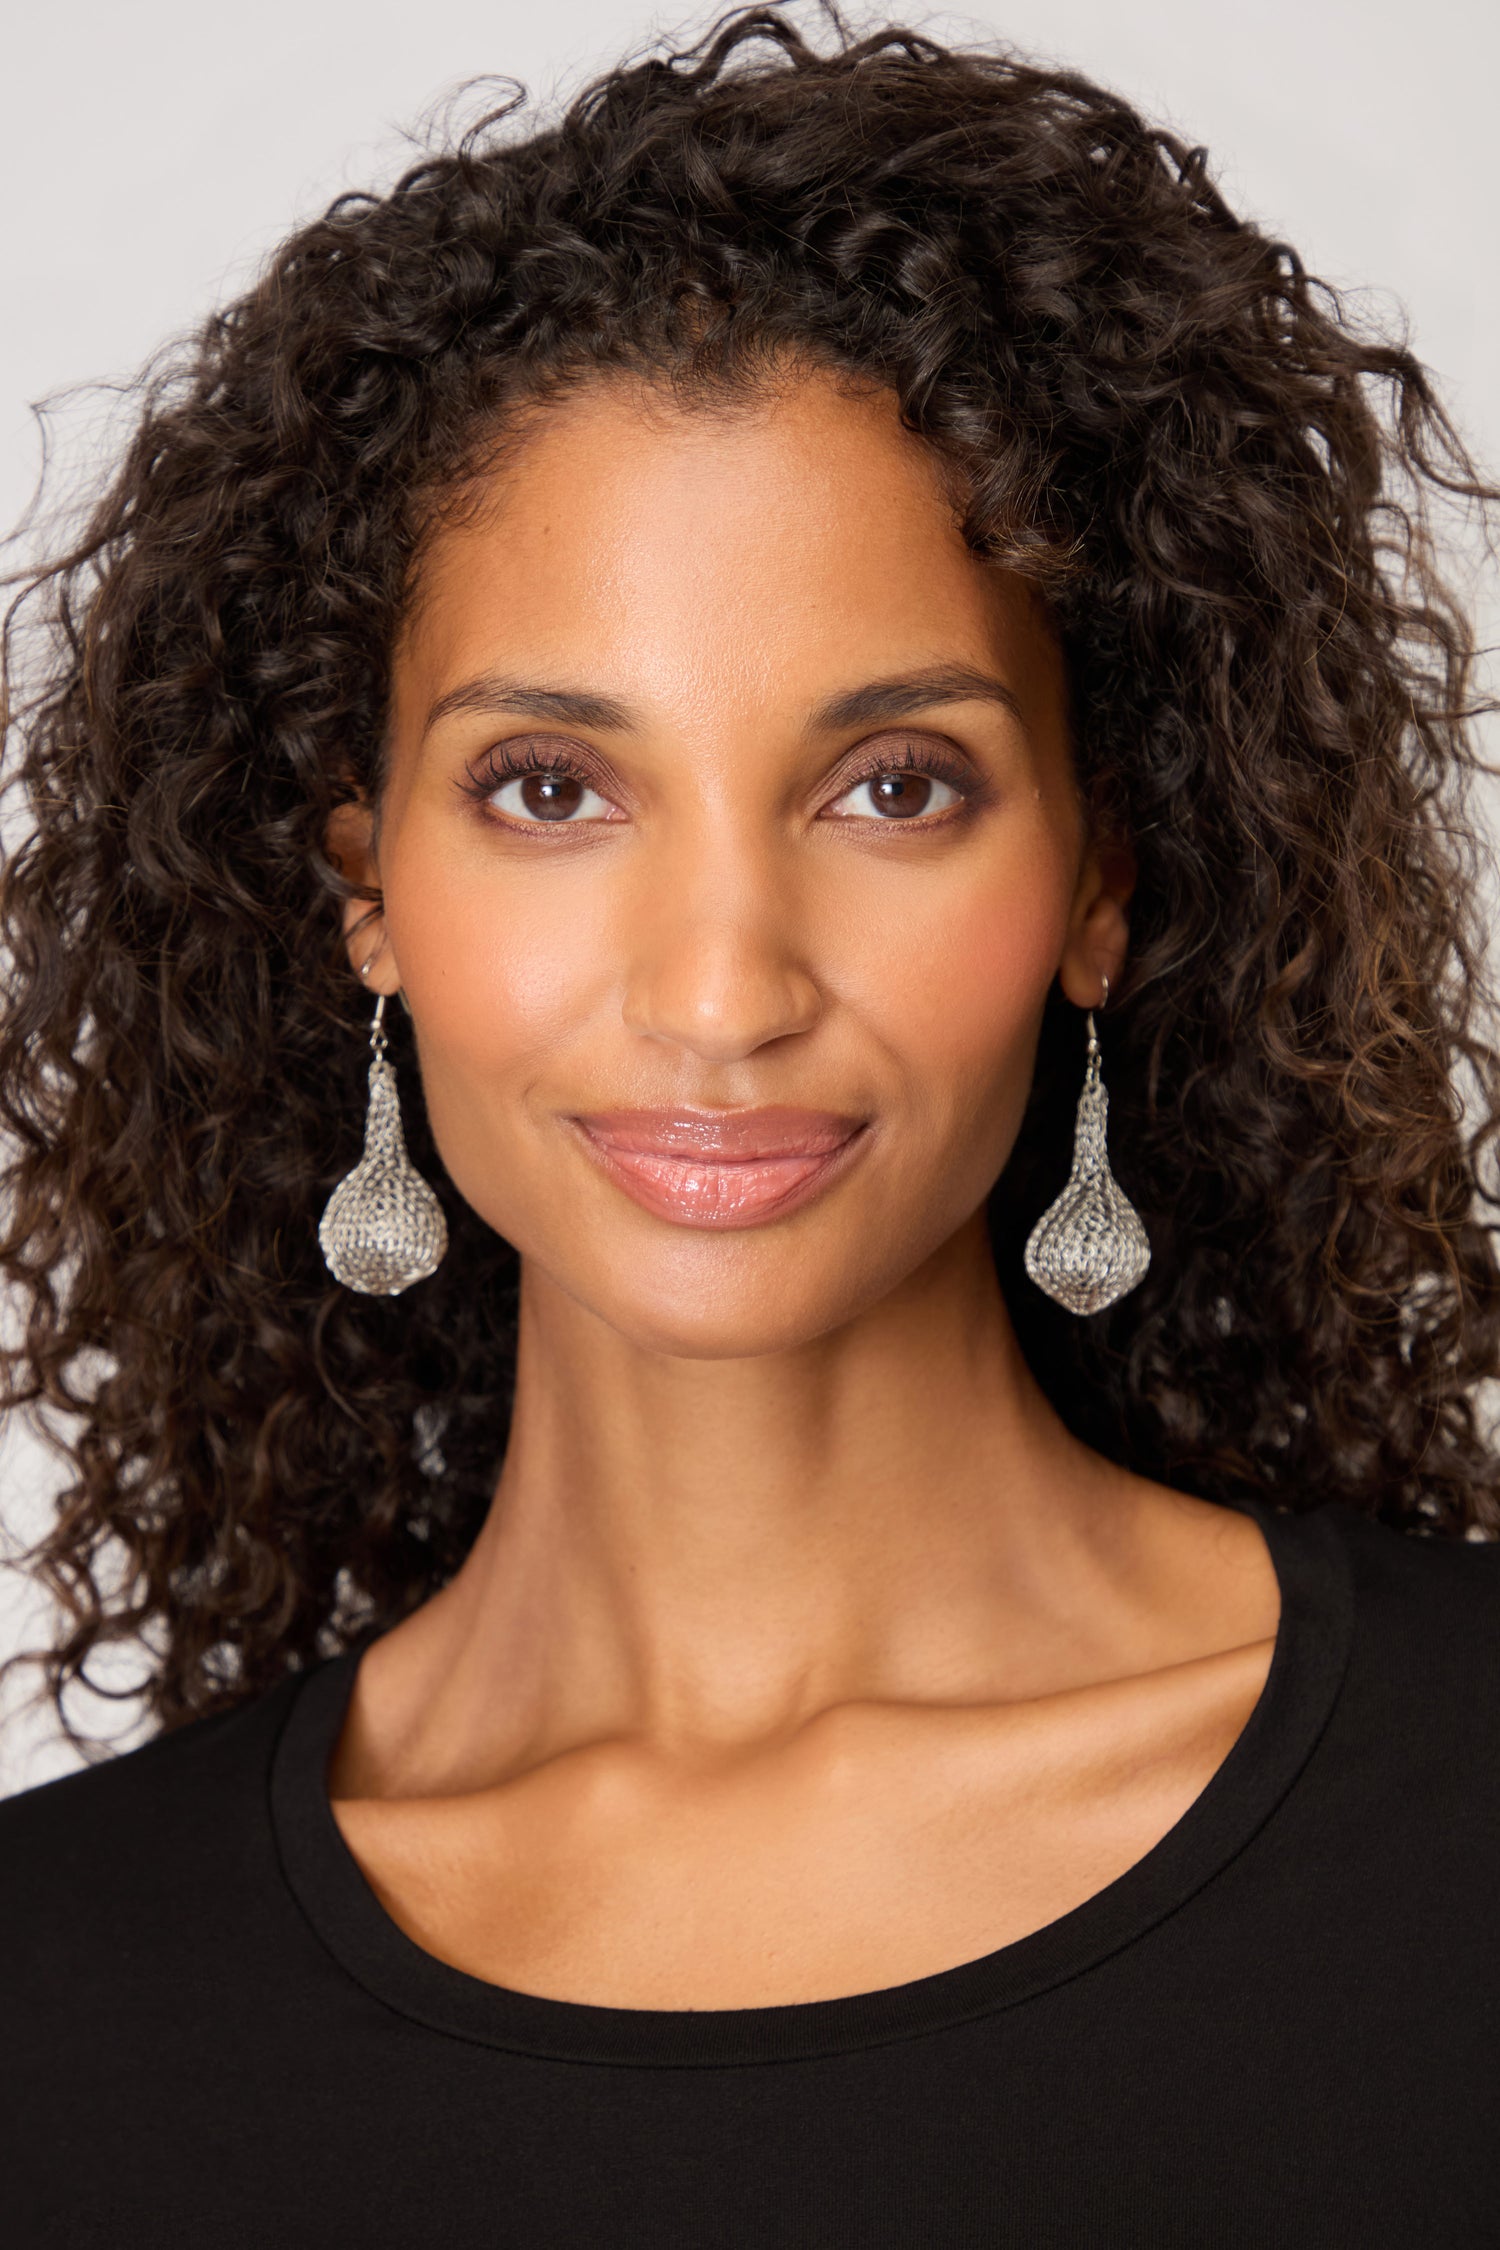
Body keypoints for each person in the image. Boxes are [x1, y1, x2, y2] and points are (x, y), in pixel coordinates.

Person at [1, 2, 1498, 2240]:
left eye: (894, 788)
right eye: (550, 789)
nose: (722, 990)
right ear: (366, 895)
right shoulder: (54, 2005)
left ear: (1101, 881)